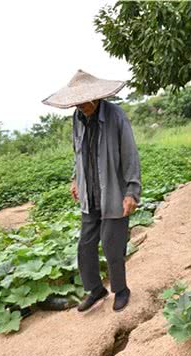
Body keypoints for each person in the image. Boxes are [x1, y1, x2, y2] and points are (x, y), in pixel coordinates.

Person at [42, 70, 141, 312]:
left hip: (115, 192)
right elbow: (78, 153)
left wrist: (132, 191)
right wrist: (76, 179)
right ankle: (95, 290)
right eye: (76, 103)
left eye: (84, 102)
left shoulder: (116, 117)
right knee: (85, 245)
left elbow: (130, 156)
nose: (80, 106)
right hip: (90, 193)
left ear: (96, 97)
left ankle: (121, 290)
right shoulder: (77, 118)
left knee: (111, 243)